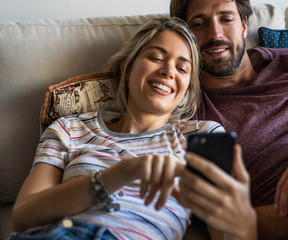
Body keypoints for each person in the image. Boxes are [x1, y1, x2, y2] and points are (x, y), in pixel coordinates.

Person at [10, 16, 254, 240]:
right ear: (127, 68)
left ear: (187, 89)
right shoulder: (69, 128)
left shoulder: (201, 137)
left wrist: (242, 217)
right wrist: (121, 173)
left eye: (182, 68)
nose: (168, 71)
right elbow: (23, 216)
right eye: (156, 57)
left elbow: (228, 230)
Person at [170, 0, 288, 239]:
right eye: (199, 23)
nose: (215, 34)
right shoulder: (195, 120)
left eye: (226, 19)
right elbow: (230, 227)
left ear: (243, 23)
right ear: (184, 35)